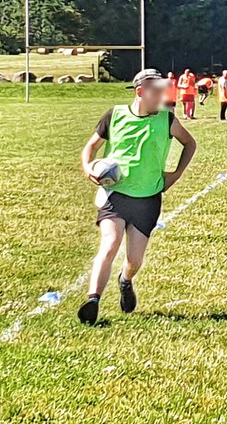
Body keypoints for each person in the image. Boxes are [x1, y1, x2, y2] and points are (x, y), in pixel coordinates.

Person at [77, 69, 197, 325]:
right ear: (141, 92)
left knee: (134, 260)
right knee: (109, 244)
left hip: (148, 198)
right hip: (115, 194)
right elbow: (90, 147)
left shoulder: (167, 120)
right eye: (157, 92)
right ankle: (93, 300)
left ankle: (126, 280)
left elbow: (190, 144)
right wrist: (88, 168)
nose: (162, 96)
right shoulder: (115, 115)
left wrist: (175, 174)